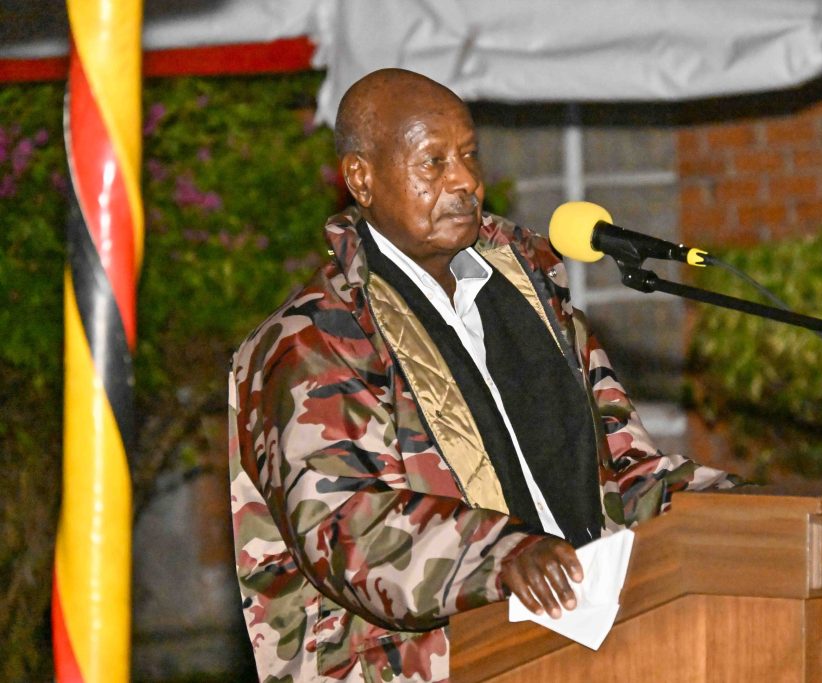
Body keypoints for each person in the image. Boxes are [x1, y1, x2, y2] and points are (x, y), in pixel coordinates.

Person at [229, 68, 737, 682]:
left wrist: (741, 509)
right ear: (361, 178)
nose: (465, 181)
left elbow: (625, 474)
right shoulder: (313, 340)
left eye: (469, 155)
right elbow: (345, 528)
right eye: (433, 162)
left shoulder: (534, 296)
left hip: (599, 643)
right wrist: (503, 554)